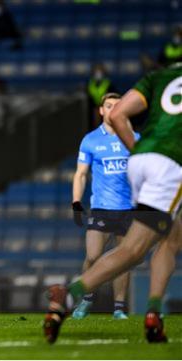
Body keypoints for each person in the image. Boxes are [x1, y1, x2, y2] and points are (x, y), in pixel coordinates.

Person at [44, 60, 182, 344]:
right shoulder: (91, 140)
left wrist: (140, 151)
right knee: (150, 245)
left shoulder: (159, 76)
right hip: (170, 164)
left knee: (156, 240)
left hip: (142, 159)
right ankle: (75, 295)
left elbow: (119, 114)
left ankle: (147, 313)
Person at [71, 93, 138, 320]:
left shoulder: (134, 138)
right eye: (108, 106)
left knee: (124, 259)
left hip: (129, 209)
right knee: (92, 255)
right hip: (101, 207)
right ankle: (87, 299)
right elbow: (80, 174)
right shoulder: (90, 140)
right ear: (101, 110)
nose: (112, 110)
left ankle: (119, 308)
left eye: (117, 106)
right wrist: (76, 202)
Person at [87, 63, 117, 130]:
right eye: (96, 71)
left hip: (106, 109)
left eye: (100, 71)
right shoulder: (89, 84)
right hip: (93, 110)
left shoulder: (108, 84)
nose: (98, 74)